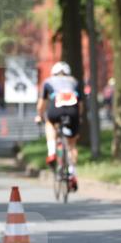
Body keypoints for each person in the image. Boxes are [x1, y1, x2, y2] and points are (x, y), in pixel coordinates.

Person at [35, 61, 83, 191]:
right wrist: (79, 117)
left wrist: (39, 115)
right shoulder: (75, 81)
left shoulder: (48, 81)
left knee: (49, 123)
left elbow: (42, 104)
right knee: (72, 145)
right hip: (73, 111)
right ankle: (72, 173)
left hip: (55, 111)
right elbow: (80, 104)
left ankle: (51, 152)